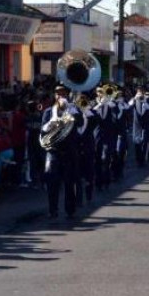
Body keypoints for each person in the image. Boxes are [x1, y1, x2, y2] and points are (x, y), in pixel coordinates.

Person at [40, 85, 83, 220]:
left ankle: (70, 209)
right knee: (52, 181)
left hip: (70, 150)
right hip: (54, 150)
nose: (60, 96)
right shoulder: (48, 111)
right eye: (57, 93)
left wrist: (72, 111)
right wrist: (52, 122)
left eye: (62, 93)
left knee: (70, 182)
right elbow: (42, 130)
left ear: (67, 95)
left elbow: (80, 123)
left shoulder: (74, 109)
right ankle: (53, 210)